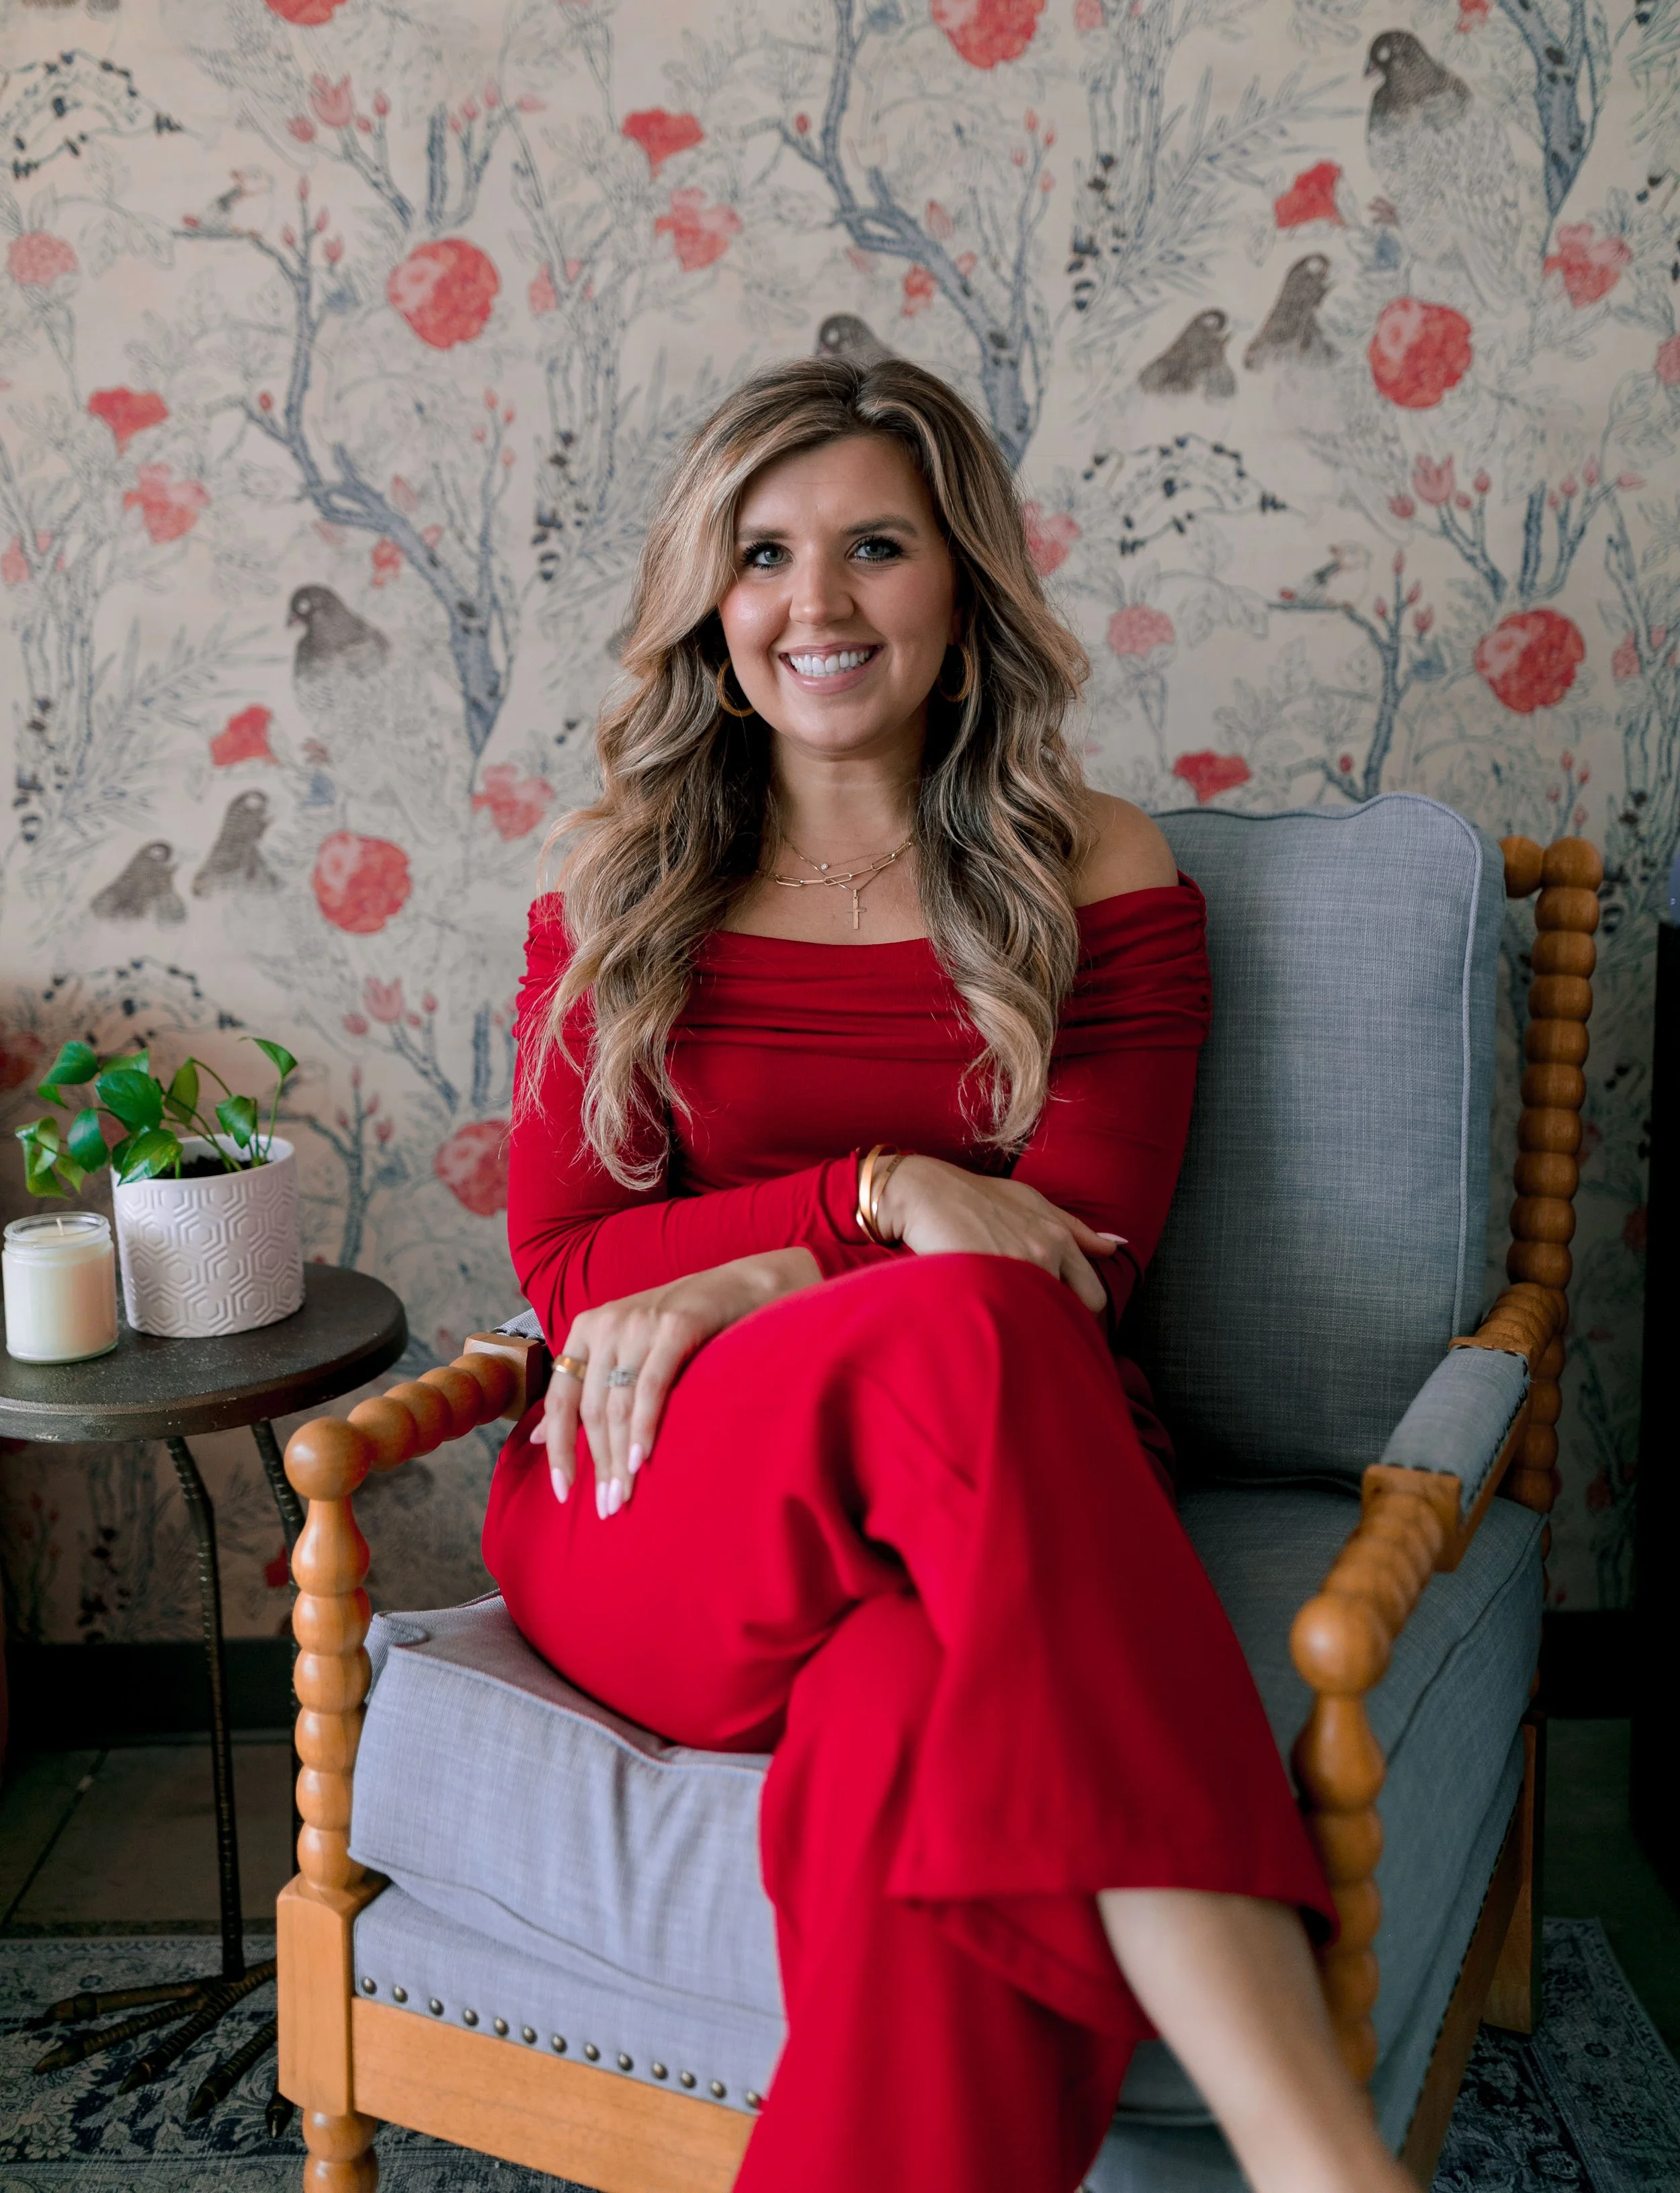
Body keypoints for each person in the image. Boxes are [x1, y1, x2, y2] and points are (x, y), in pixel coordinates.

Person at [484, 357, 1413, 2193]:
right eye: (761, 553)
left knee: (916, 1732)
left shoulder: (1094, 871)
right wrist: (877, 1189)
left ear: (960, 582)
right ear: (709, 602)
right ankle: (1318, 2155)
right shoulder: (616, 891)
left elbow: (1074, 1264)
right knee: (956, 1308)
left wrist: (747, 1272)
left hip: (993, 1512)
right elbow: (570, 1264)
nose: (813, 602)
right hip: (654, 1498)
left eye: (875, 546)